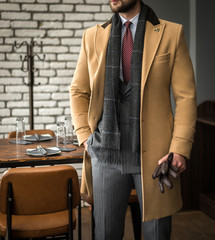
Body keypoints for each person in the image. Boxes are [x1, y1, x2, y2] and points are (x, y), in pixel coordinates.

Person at [70, 0, 197, 239]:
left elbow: (186, 97)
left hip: (156, 154)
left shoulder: (171, 33)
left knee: (157, 233)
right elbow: (78, 90)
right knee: (106, 232)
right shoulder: (92, 36)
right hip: (106, 150)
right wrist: (85, 136)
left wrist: (179, 148)